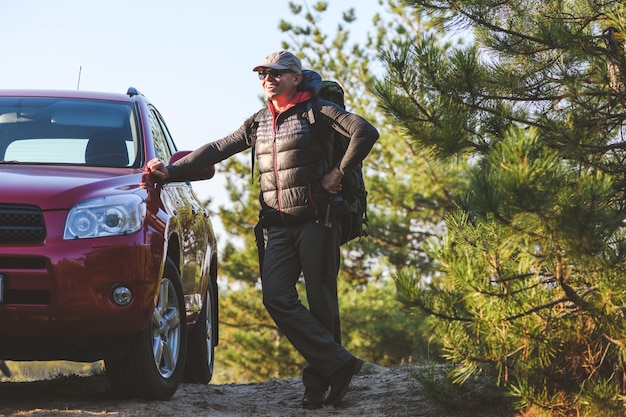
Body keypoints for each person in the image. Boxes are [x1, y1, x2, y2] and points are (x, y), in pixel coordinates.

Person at [144, 50, 379, 409]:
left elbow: (365, 131)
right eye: (262, 74)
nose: (267, 79)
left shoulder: (317, 111)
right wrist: (171, 172)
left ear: (295, 78)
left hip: (319, 221)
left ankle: (318, 385)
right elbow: (218, 148)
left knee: (322, 304)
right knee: (275, 296)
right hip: (279, 226)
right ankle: (339, 364)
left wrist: (339, 173)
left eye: (275, 73)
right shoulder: (260, 122)